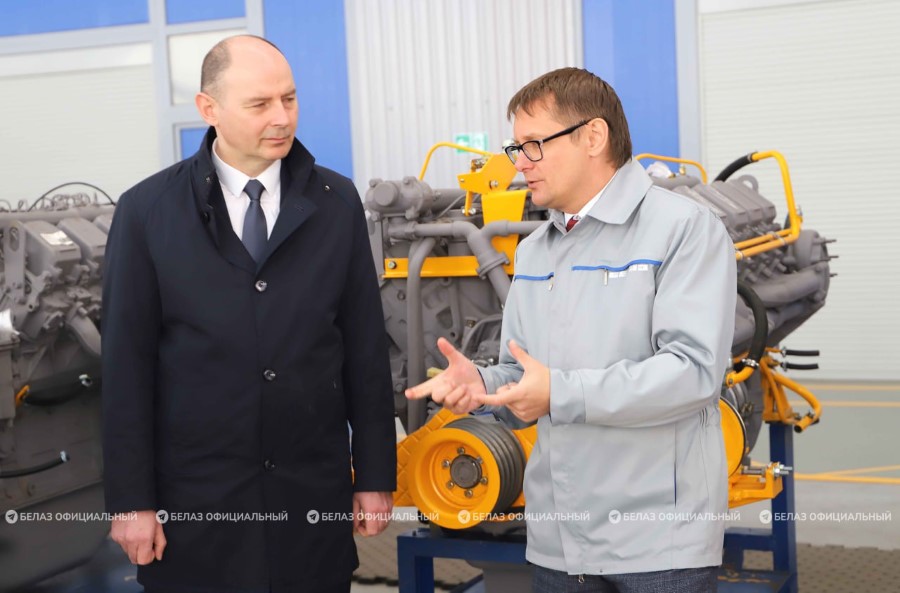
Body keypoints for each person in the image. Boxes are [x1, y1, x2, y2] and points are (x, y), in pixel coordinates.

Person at [407, 67, 736, 593]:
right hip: (559, 542)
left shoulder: (683, 229)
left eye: (533, 145)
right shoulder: (537, 250)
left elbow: (692, 373)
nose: (520, 164)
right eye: (516, 148)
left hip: (657, 544)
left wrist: (560, 392)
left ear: (593, 136)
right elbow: (526, 371)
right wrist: (484, 386)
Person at [102, 35, 396, 593]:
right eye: (260, 104)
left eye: (289, 98)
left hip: (311, 503)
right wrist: (131, 501)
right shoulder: (148, 212)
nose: (281, 117)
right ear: (208, 109)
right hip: (196, 507)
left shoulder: (336, 203)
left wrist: (375, 475)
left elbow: (364, 350)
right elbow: (125, 369)